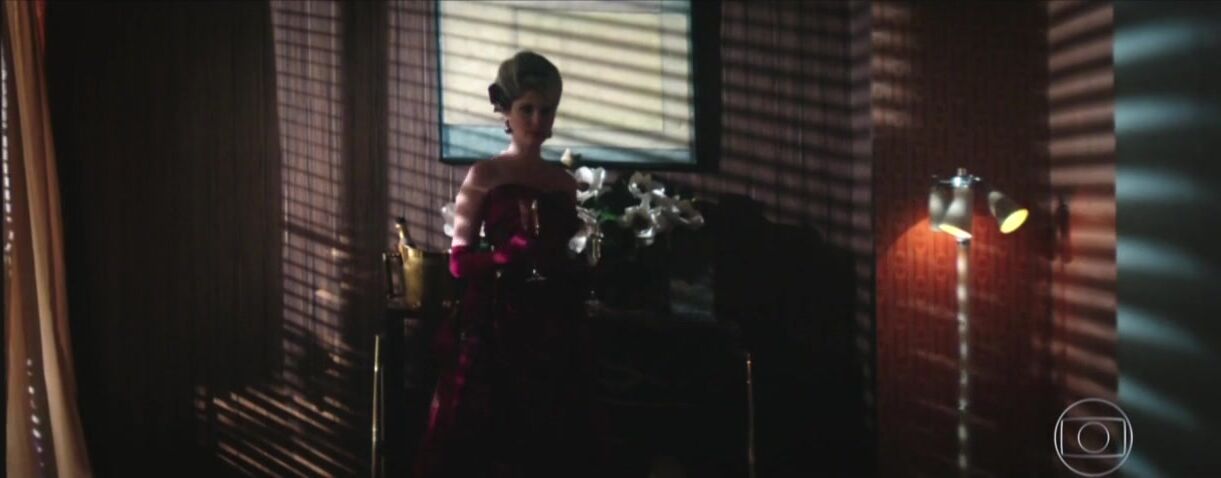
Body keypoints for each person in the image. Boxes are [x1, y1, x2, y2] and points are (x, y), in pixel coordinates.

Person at [415, 51, 602, 477]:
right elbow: (458, 264)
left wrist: (578, 270)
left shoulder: (562, 182)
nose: (537, 120)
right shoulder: (485, 174)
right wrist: (506, 255)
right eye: (527, 109)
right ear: (507, 112)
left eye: (546, 110)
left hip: (554, 322)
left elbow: (562, 251)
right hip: (496, 321)